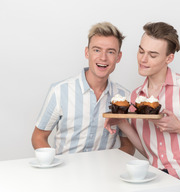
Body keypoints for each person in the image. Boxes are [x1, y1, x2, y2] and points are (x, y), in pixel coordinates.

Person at [105, 22, 180, 192]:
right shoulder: (136, 97)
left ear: (169, 58)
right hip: (159, 180)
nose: (143, 59)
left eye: (153, 55)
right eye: (141, 51)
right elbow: (148, 151)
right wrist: (120, 122)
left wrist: (179, 127)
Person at [32, 22, 135, 156]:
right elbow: (38, 137)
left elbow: (129, 145)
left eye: (110, 52)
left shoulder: (125, 97)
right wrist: (54, 164)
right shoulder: (60, 91)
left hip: (104, 174)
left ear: (118, 57)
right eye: (97, 50)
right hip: (64, 173)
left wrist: (110, 165)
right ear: (87, 52)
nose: (103, 58)